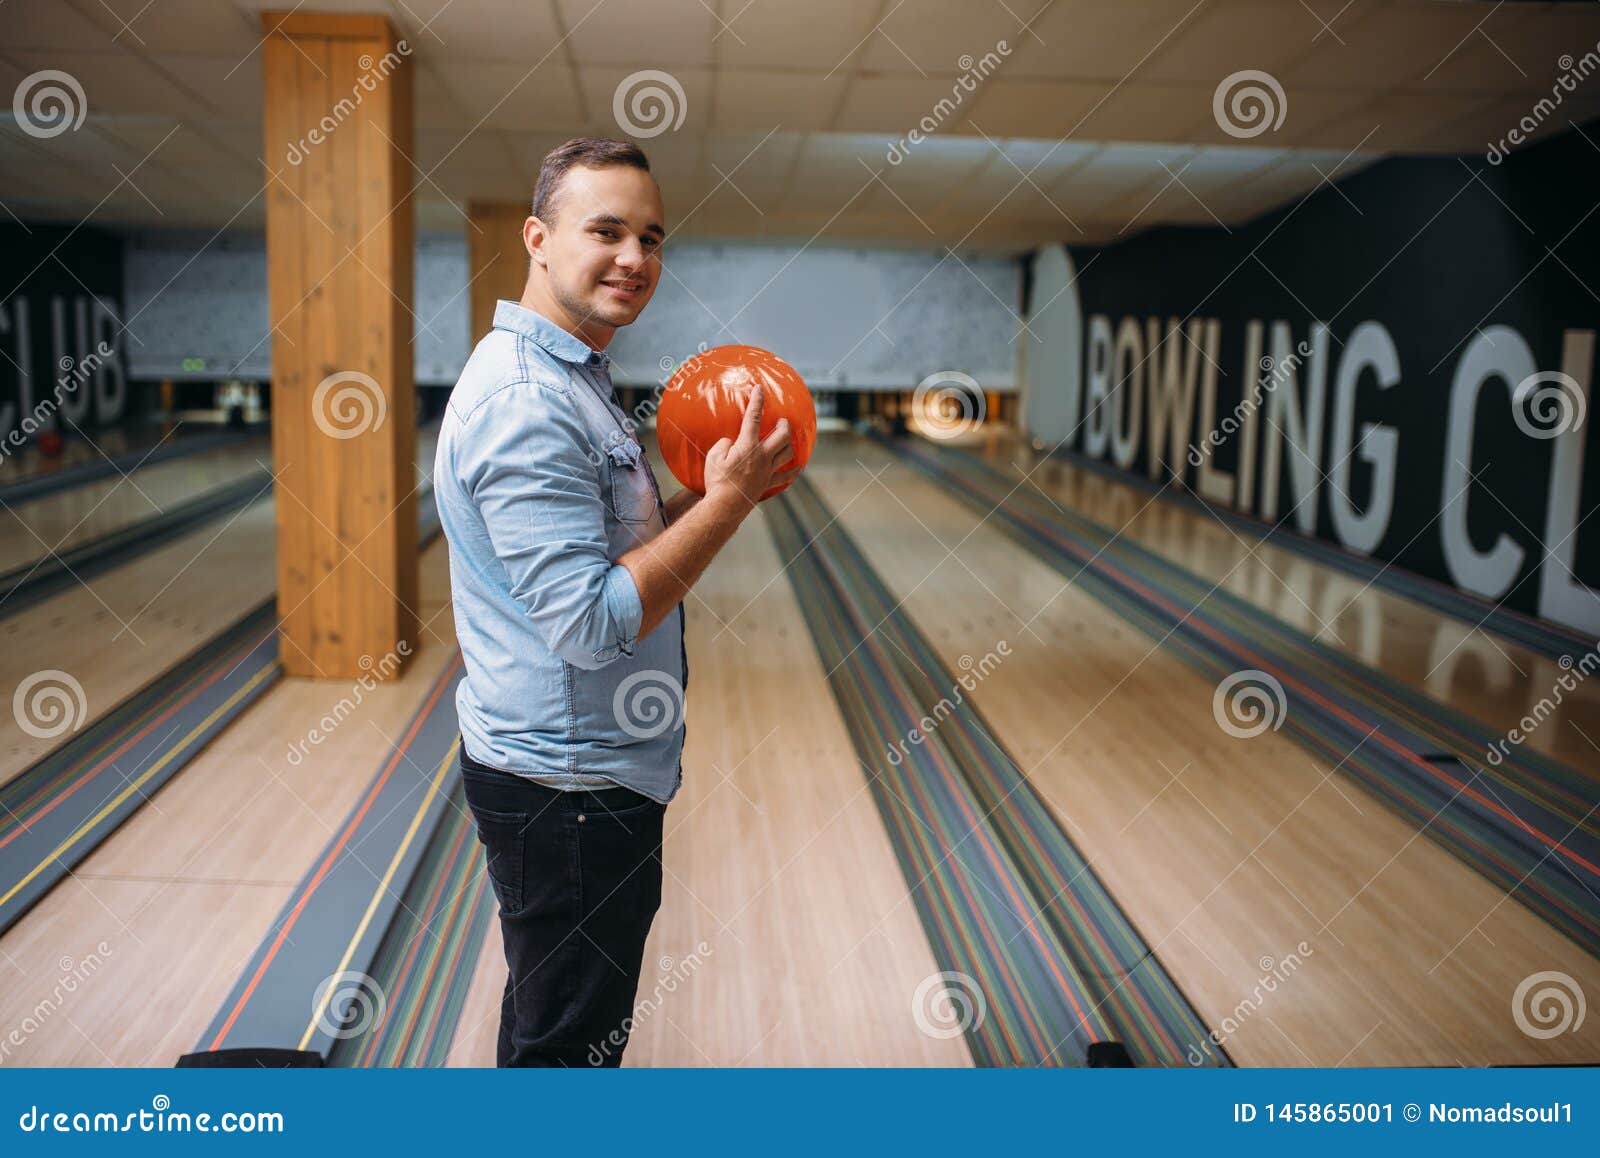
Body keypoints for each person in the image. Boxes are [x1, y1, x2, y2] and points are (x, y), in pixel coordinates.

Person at [433, 137, 794, 1067]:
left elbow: (614, 554)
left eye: (652, 237)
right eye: (606, 230)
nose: (635, 258)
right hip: (569, 790)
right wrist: (725, 504)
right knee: (570, 1049)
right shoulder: (528, 402)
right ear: (538, 238)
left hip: (577, 776)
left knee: (551, 1019)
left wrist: (706, 497)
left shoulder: (570, 377)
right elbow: (592, 625)